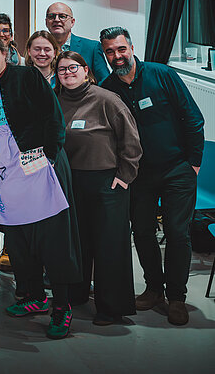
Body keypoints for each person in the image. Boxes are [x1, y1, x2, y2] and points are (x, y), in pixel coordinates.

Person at [0, 33, 81, 340]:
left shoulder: (26, 76)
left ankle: (62, 306)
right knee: (19, 241)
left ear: (5, 52)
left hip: (39, 167)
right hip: (6, 173)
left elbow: (53, 117)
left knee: (53, 240)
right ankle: (34, 297)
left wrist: (46, 155)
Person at [99, 26, 205, 326]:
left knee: (177, 232)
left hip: (177, 170)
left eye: (121, 49)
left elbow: (194, 119)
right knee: (143, 232)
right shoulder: (108, 88)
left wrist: (193, 165)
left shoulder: (163, 75)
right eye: (110, 51)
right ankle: (154, 289)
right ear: (104, 54)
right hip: (138, 175)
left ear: (131, 48)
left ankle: (177, 298)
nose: (117, 56)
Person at [54, 51, 142, 325]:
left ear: (85, 70)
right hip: (71, 183)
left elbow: (131, 141)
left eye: (72, 67)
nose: (67, 73)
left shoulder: (106, 99)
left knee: (109, 246)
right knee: (77, 243)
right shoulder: (55, 102)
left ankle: (111, 307)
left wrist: (125, 176)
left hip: (107, 184)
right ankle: (77, 293)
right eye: (61, 70)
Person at [45, 2, 110, 81]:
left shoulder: (92, 47)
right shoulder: (40, 51)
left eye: (62, 16)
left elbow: (104, 80)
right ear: (46, 22)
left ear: (72, 22)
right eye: (51, 16)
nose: (56, 20)